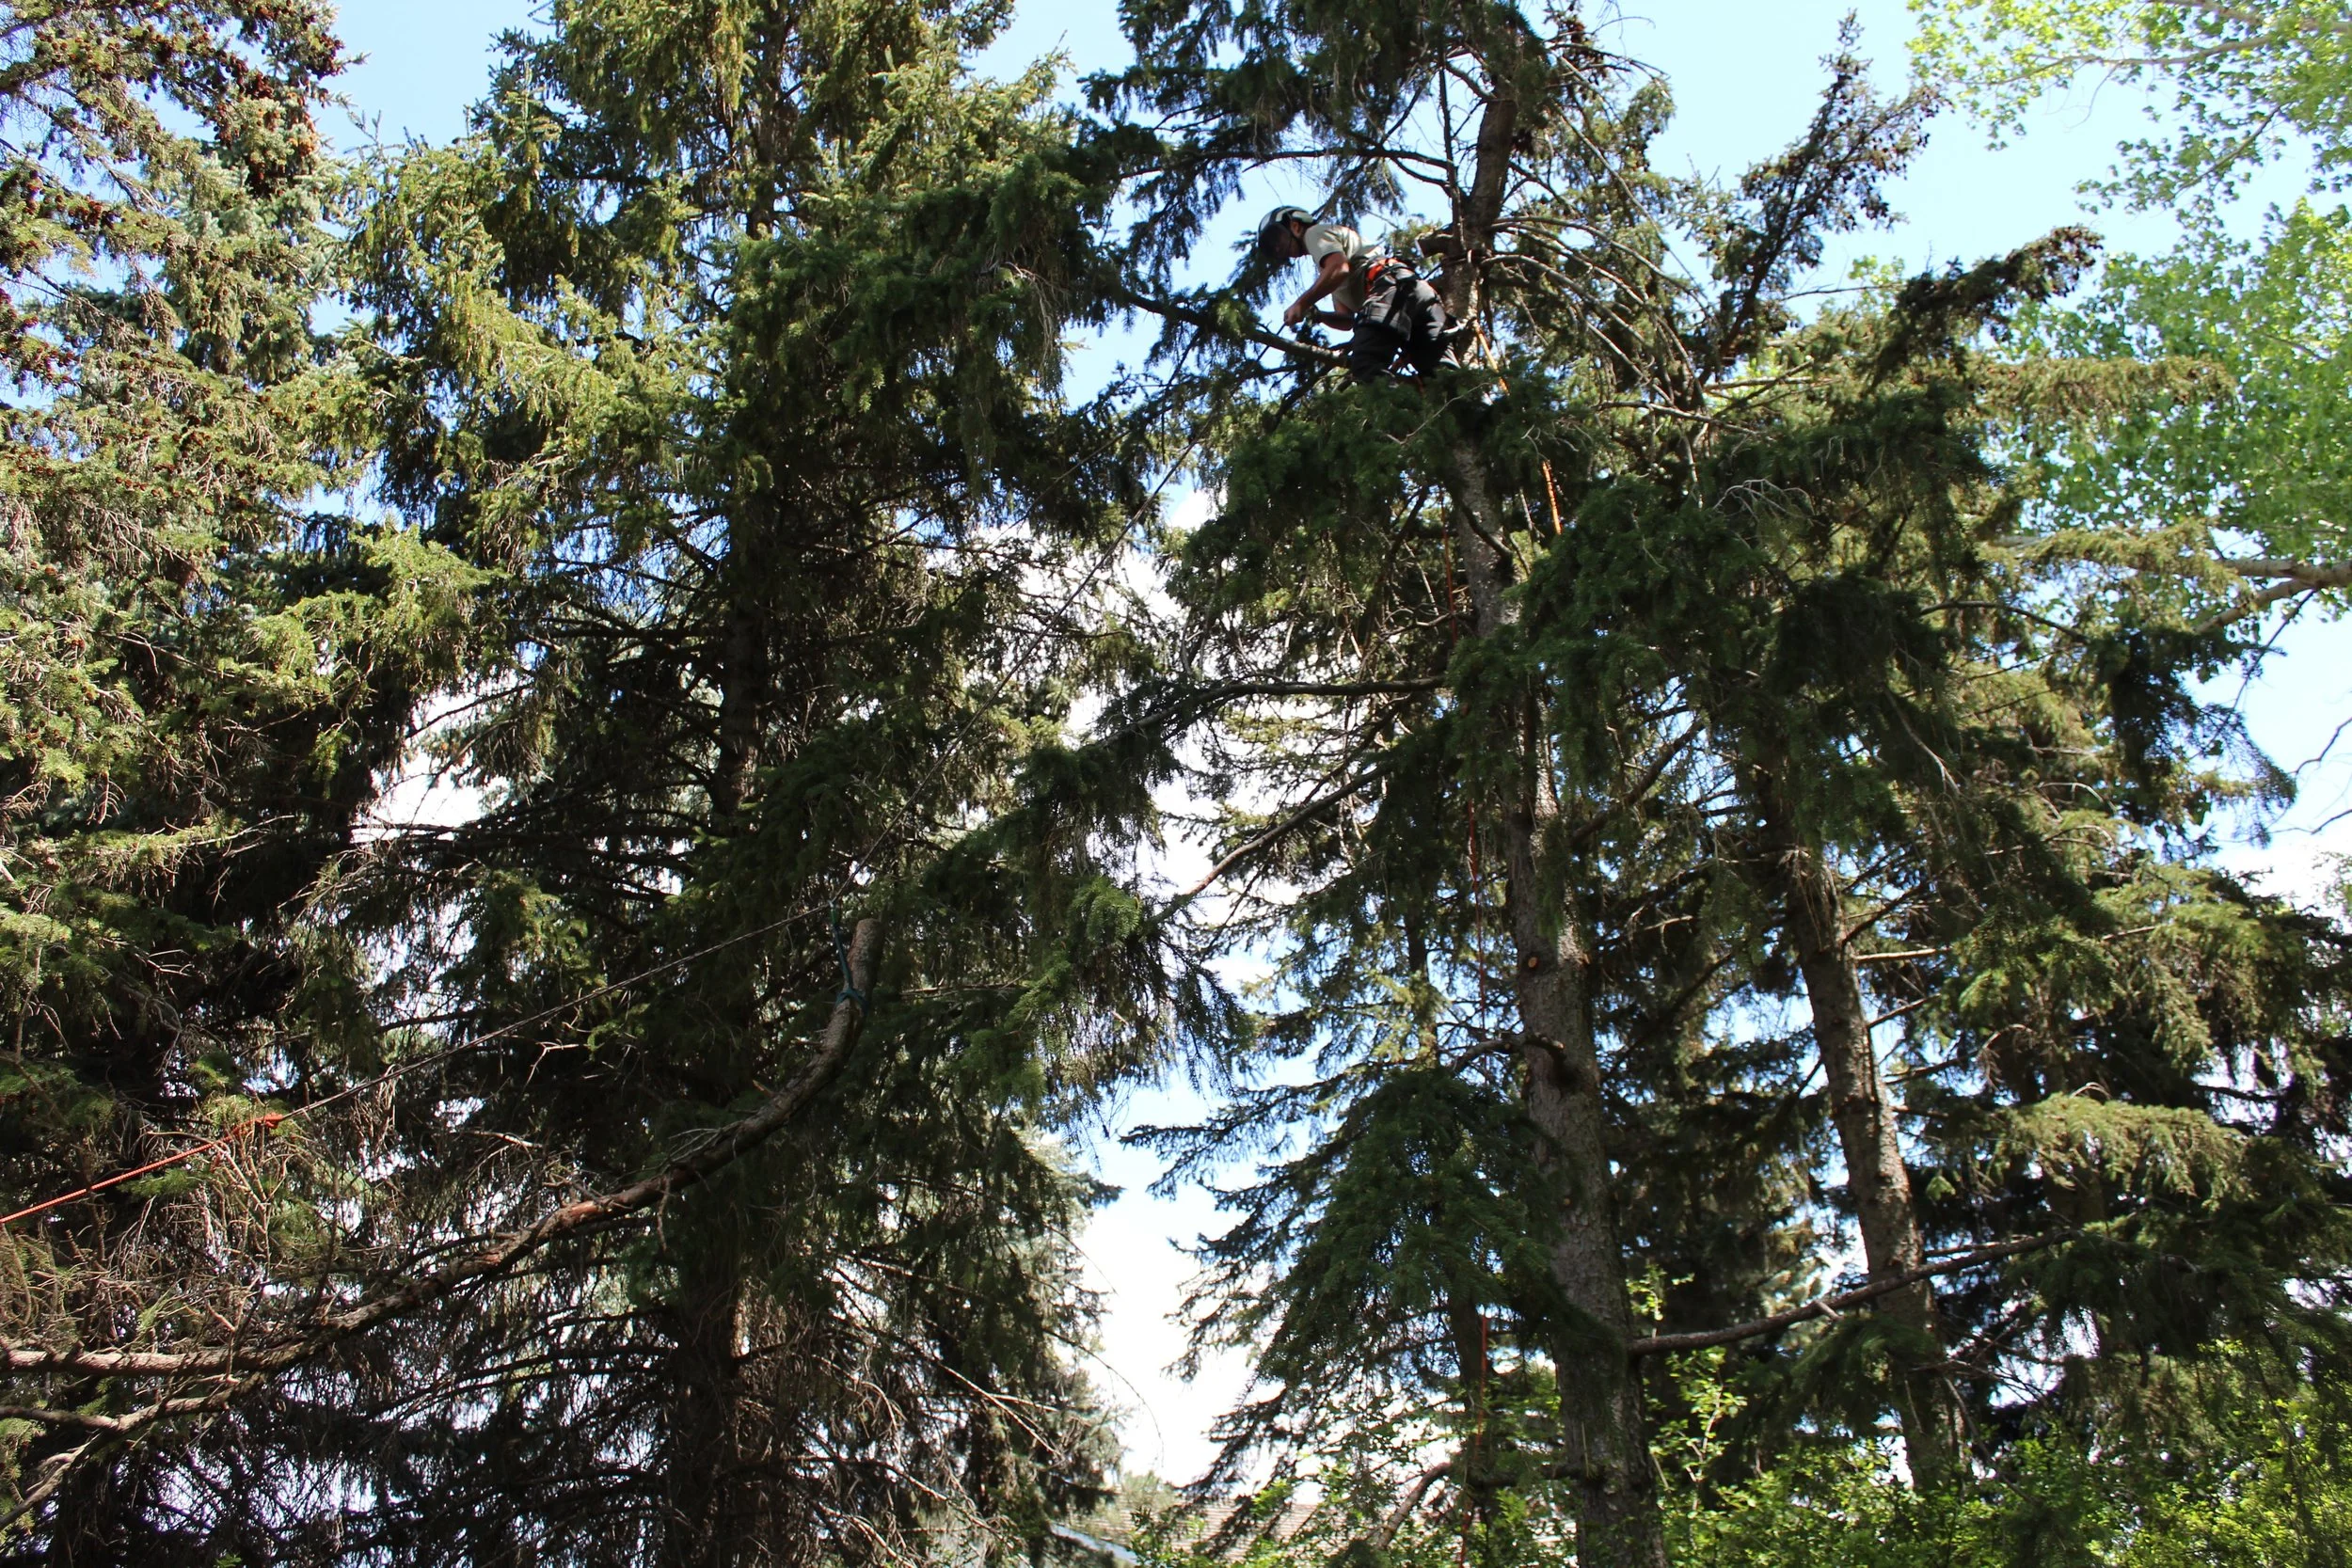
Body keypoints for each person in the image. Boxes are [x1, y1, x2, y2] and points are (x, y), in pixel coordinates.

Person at [1258, 206, 1456, 380]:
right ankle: (1475, 412)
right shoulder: (1331, 273)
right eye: (1274, 248)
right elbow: (1347, 320)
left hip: (1391, 287)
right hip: (1414, 294)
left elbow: (1339, 269)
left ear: (1295, 225)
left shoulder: (1314, 234)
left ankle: (1395, 413)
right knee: (1442, 381)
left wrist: (1301, 303)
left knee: (1365, 365)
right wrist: (1319, 316)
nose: (1279, 248)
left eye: (1278, 239)